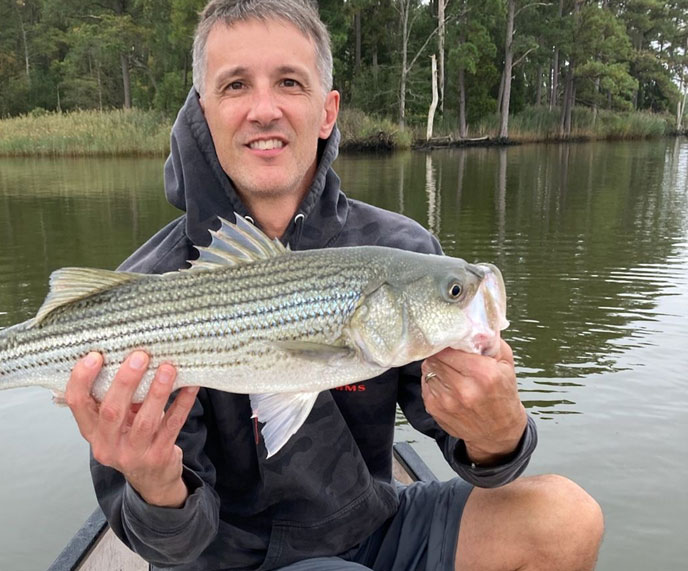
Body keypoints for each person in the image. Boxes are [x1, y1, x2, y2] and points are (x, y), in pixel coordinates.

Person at [65, 1, 604, 569]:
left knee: (566, 518)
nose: (264, 110)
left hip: (372, 526)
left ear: (327, 112)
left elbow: (479, 458)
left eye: (290, 82)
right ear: (205, 112)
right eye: (236, 85)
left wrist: (500, 433)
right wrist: (154, 485)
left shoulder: (402, 251)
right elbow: (170, 547)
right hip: (223, 555)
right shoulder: (148, 287)